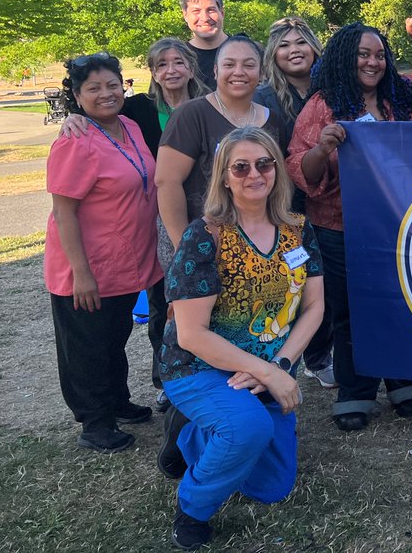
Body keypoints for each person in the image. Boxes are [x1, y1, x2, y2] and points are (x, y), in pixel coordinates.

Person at [158, 127, 324, 551]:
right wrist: (265, 372)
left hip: (267, 367)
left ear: (277, 170)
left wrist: (279, 366)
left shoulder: (298, 230)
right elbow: (191, 335)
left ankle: (192, 435)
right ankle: (193, 508)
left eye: (264, 164)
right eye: (241, 167)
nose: (255, 174)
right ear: (224, 177)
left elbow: (314, 307)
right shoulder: (205, 236)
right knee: (248, 428)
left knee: (272, 487)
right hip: (199, 366)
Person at [285, 23, 412, 432]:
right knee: (349, 309)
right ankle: (356, 390)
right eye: (363, 54)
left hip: (398, 224)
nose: (373, 62)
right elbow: (300, 170)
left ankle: (405, 382)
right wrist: (323, 147)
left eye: (380, 54)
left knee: (402, 302)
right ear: (345, 57)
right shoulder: (323, 105)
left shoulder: (401, 97)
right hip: (338, 226)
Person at [61, 37, 206, 411]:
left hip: (196, 219)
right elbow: (96, 115)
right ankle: (164, 380)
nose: (171, 70)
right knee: (160, 306)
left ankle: (200, 375)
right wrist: (71, 117)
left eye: (179, 62)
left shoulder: (207, 104)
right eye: (162, 64)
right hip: (158, 225)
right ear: (152, 72)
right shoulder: (139, 109)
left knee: (198, 302)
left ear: (192, 67)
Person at [45, 53, 161, 452]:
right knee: (87, 347)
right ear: (77, 97)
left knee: (114, 336)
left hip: (125, 262)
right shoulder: (74, 141)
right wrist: (81, 273)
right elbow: (63, 212)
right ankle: (95, 423)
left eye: (112, 85)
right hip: (87, 265)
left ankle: (116, 400)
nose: (106, 94)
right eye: (93, 88)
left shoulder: (130, 125)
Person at [253, 16, 336, 389]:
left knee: (323, 282)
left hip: (327, 204)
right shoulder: (264, 98)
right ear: (274, 54)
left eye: (301, 42)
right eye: (284, 45)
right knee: (290, 283)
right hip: (285, 208)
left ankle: (318, 357)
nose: (294, 50)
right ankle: (278, 359)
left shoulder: (332, 90)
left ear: (314, 47)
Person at [156, 35, 284, 255]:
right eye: (229, 64)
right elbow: (167, 182)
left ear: (261, 73)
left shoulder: (272, 120)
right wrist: (185, 247)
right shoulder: (191, 115)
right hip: (207, 245)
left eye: (249, 65)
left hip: (261, 246)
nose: (239, 72)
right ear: (215, 71)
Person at [180, 0, 228, 91]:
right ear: (185, 15)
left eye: (211, 10)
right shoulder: (175, 59)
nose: (205, 18)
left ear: (222, 13)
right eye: (196, 11)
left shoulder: (246, 52)